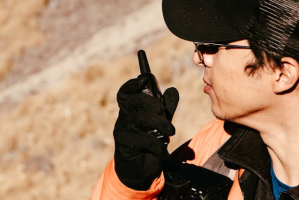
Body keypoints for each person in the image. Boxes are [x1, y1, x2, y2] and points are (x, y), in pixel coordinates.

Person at [90, 0, 299, 199]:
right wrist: (133, 183)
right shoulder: (214, 153)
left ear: (282, 74)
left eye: (215, 46)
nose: (198, 58)